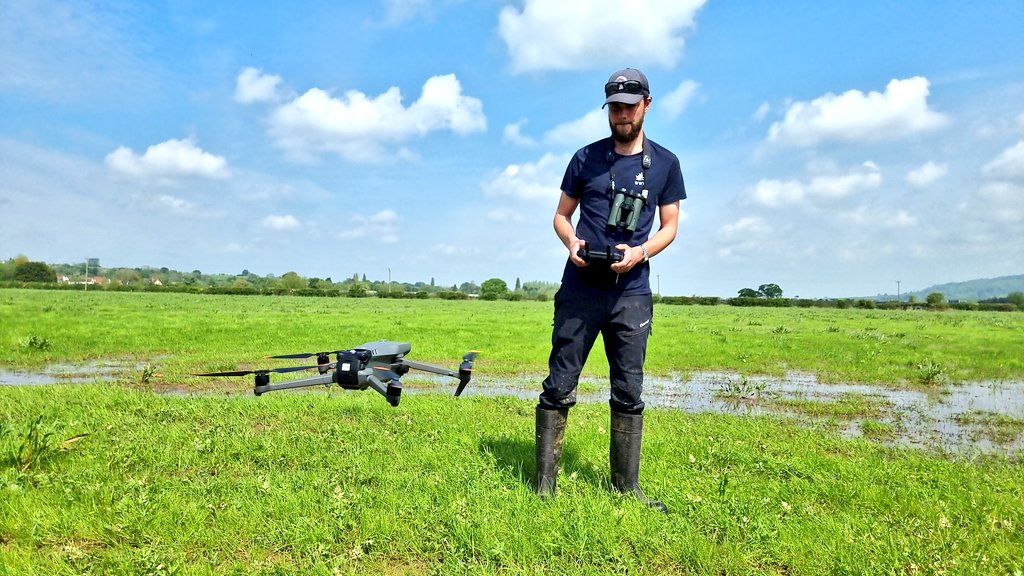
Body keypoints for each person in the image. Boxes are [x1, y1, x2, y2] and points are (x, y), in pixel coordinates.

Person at [535, 68, 685, 513]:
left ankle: (626, 488)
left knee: (628, 390)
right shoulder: (585, 158)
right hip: (581, 287)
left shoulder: (666, 163)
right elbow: (561, 216)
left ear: (647, 105)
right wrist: (572, 242)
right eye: (614, 108)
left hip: (631, 292)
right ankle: (544, 488)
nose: (621, 115)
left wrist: (639, 252)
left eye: (629, 106)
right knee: (559, 385)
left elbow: (670, 226)